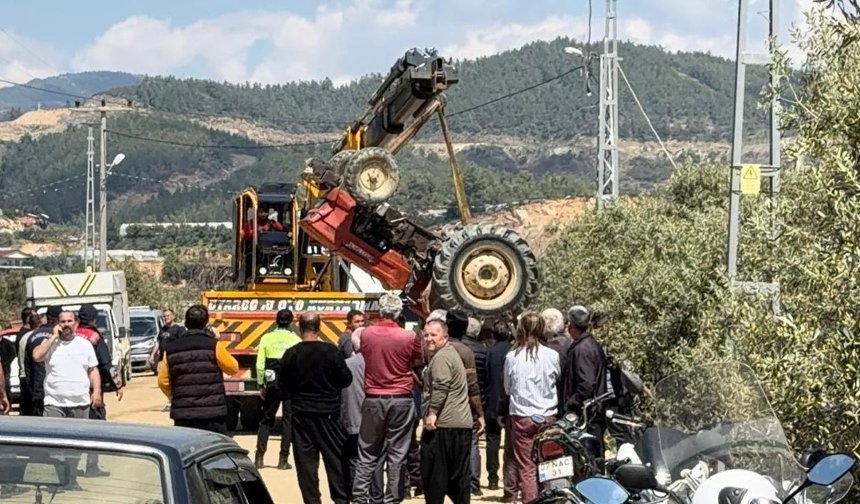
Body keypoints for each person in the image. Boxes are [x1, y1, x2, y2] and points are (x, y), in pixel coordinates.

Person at [353, 293, 423, 504]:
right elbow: (417, 361)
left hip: (373, 397)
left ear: (380, 311)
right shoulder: (409, 337)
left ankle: (359, 497)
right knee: (397, 454)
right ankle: (392, 499)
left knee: (367, 452)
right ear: (399, 313)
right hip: (401, 398)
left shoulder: (366, 334)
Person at [278, 312, 352, 504]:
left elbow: (282, 387)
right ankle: (341, 500)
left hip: (301, 416)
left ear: (300, 328)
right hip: (329, 416)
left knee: (306, 465)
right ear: (319, 328)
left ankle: (312, 501)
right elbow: (346, 379)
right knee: (336, 461)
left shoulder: (291, 354)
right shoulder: (331, 352)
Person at [504, 312, 560, 503]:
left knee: (526, 467)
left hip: (522, 417)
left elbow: (507, 388)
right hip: (548, 416)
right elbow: (557, 380)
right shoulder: (553, 356)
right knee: (549, 464)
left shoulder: (512, 357)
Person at [158, 304, 239, 435]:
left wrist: (175, 396)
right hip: (213, 414)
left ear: (186, 323)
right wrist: (217, 340)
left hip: (184, 414)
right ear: (206, 323)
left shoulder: (171, 349)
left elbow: (162, 381)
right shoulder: (214, 345)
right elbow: (233, 368)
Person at [420, 319, 473, 504]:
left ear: (445, 336)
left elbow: (441, 386)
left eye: (433, 335)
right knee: (458, 480)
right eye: (426, 335)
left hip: (444, 426)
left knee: (434, 478)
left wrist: (432, 413)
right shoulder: (448, 353)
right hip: (459, 425)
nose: (428, 339)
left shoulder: (442, 357)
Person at [76, 304, 123, 478]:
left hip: (72, 390)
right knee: (95, 428)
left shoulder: (71, 335)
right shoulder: (95, 337)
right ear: (94, 318)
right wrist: (117, 384)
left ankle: (70, 467)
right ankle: (91, 465)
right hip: (92, 390)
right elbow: (106, 364)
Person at [31, 310, 103, 418]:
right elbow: (36, 356)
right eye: (63, 321)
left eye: (70, 321)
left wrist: (97, 391)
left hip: (80, 403)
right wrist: (54, 336)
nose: (66, 324)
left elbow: (93, 370)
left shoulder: (85, 344)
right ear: (57, 324)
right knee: (53, 435)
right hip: (54, 404)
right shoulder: (49, 344)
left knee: (79, 434)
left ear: (76, 324)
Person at [560, 305, 608, 463]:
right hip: (590, 416)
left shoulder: (583, 349)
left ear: (571, 326)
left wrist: (571, 403)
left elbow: (586, 385)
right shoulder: (588, 345)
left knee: (588, 462)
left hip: (587, 418)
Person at [254, 309, 301, 470]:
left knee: (266, 419)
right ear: (291, 322)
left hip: (272, 383)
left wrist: (261, 384)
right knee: (288, 421)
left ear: (276, 320)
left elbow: (260, 365)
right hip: (289, 384)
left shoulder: (267, 338)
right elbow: (298, 364)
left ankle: (259, 458)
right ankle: (283, 460)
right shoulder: (295, 340)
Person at [341, 327, 384, 502]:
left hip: (353, 421)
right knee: (376, 460)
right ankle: (377, 496)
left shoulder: (347, 365)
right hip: (376, 420)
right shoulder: (381, 363)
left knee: (353, 459)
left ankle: (356, 495)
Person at [484, 320, 517, 498]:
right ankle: (511, 480)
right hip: (511, 402)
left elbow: (486, 376)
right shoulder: (514, 351)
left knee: (492, 440)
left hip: (492, 401)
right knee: (511, 444)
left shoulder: (490, 351)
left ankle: (493, 477)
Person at [25, 306, 64, 416]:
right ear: (58, 319)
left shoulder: (32, 336)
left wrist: (32, 391)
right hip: (55, 393)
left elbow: (27, 368)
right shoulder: (60, 337)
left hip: (38, 391)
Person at [16, 311, 42, 416]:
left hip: (22, 375)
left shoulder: (23, 337)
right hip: (32, 376)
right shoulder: (36, 338)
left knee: (26, 408)